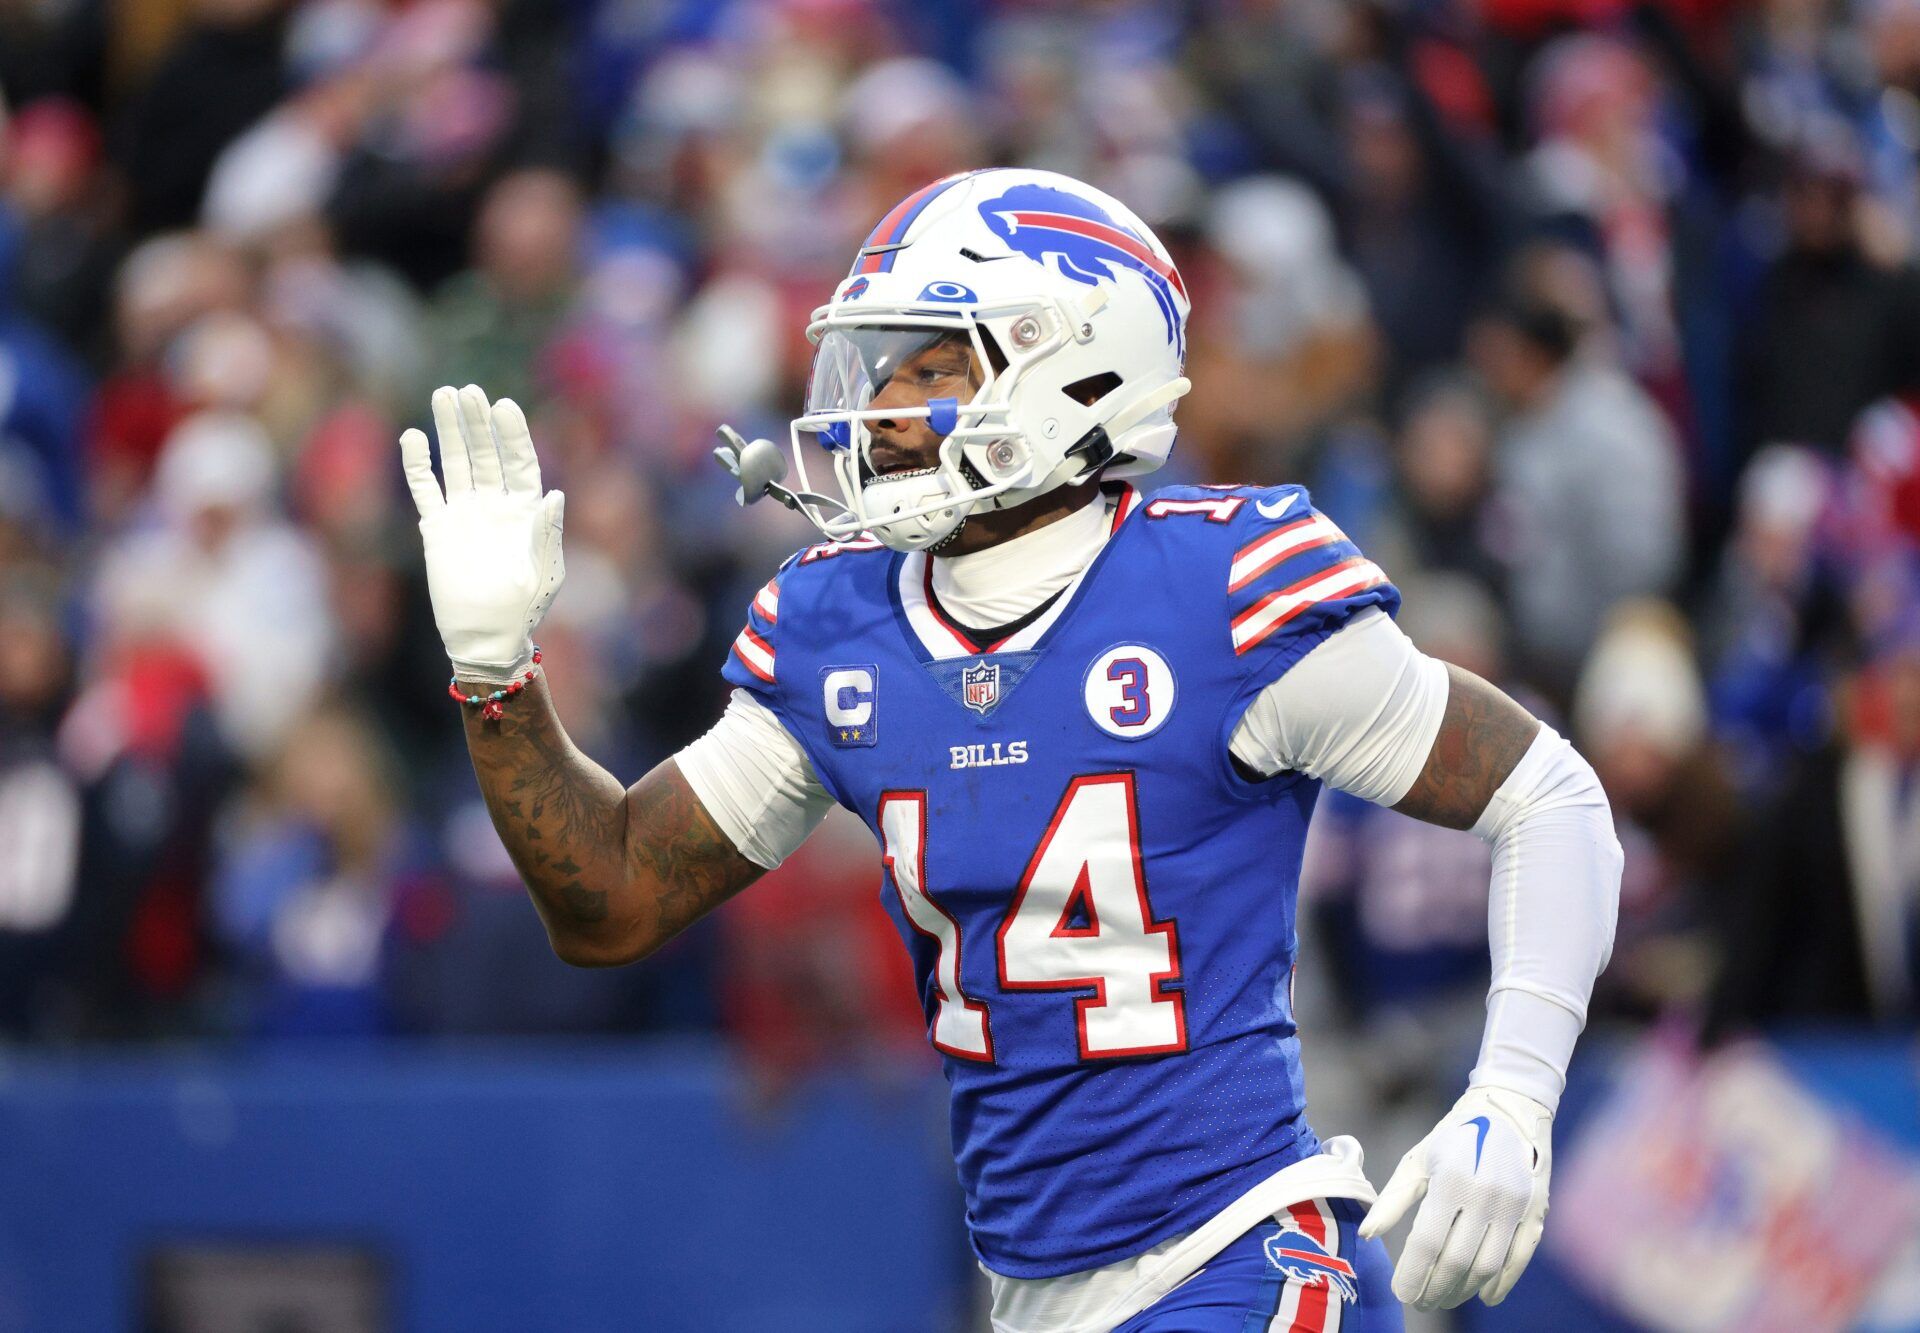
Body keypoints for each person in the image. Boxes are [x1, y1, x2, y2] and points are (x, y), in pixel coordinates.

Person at [399, 169, 1622, 1331]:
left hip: (1240, 1251)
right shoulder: (841, 628)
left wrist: (1513, 1091)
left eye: (924, 368)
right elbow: (609, 898)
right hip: (1037, 1289)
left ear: (1072, 369)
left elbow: (1549, 794)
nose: (873, 411)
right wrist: (496, 679)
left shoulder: (1223, 590)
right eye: (871, 369)